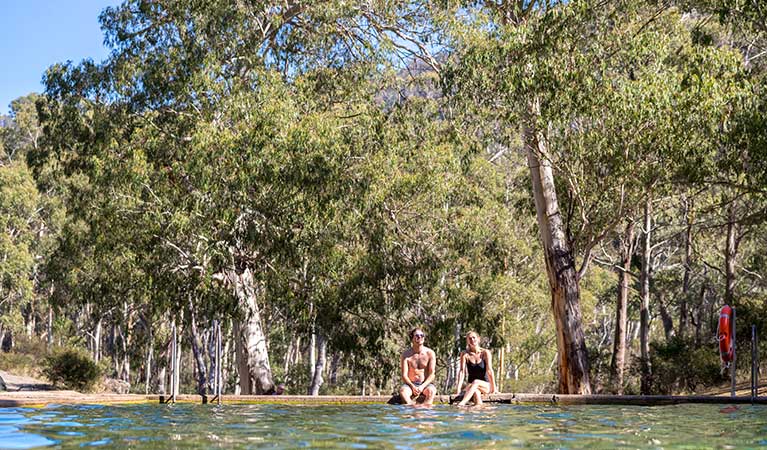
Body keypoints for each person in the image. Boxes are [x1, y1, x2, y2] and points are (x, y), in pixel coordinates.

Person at [455, 331, 496, 406]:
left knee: (476, 382)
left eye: (474, 337)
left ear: (478, 339)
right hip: (471, 386)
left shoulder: (485, 353)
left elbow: (489, 370)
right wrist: (458, 388)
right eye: (469, 338)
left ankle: (462, 403)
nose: (472, 340)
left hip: (485, 385)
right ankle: (478, 411)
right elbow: (462, 372)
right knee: (476, 392)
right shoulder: (465, 354)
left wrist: (494, 388)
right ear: (467, 341)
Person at [399, 327, 437, 406]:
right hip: (410, 384)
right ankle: (412, 409)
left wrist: (422, 386)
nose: (420, 337)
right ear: (412, 338)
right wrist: (412, 386)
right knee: (403, 392)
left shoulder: (430, 353)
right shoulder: (406, 355)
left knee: (431, 392)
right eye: (417, 336)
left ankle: (425, 413)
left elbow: (432, 374)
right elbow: (404, 375)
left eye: (422, 335)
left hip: (425, 384)